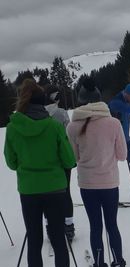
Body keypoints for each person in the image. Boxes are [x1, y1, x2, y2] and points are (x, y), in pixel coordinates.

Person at [3, 79, 75, 267]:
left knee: (34, 240)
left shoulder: (14, 127)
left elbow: (11, 162)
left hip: (29, 190)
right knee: (58, 239)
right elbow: (69, 159)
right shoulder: (53, 125)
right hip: (54, 188)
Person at [67, 79, 128, 267]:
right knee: (112, 225)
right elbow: (122, 155)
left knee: (95, 227)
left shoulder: (73, 126)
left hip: (87, 184)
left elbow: (73, 158)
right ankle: (118, 265)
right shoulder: (113, 123)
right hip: (110, 182)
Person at [45, 85, 75, 242]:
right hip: (62, 160)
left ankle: (50, 226)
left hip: (45, 161)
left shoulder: (38, 114)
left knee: (47, 195)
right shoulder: (62, 113)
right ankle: (68, 225)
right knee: (65, 193)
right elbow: (68, 137)